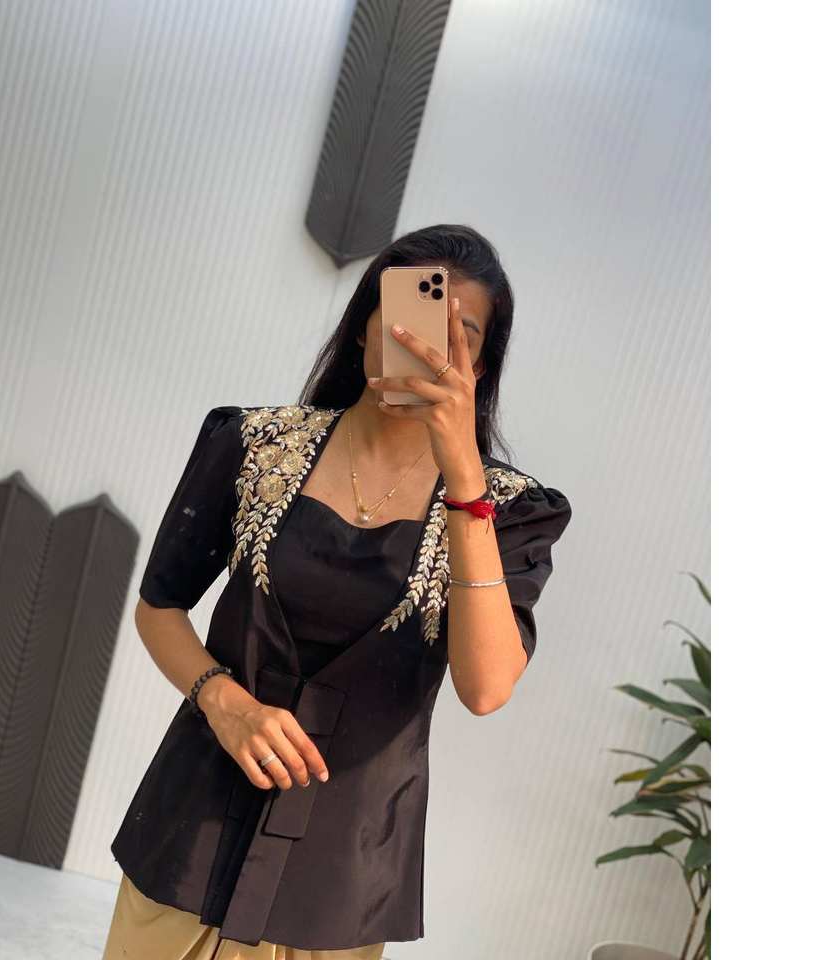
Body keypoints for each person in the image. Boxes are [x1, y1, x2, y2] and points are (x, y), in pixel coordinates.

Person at [102, 225, 573, 959]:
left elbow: (485, 688)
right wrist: (224, 703)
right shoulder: (253, 444)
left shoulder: (512, 511)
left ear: (481, 365)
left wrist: (464, 479)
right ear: (364, 327)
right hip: (192, 828)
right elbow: (159, 607)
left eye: (462, 335)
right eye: (413, 315)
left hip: (341, 873)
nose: (427, 344)